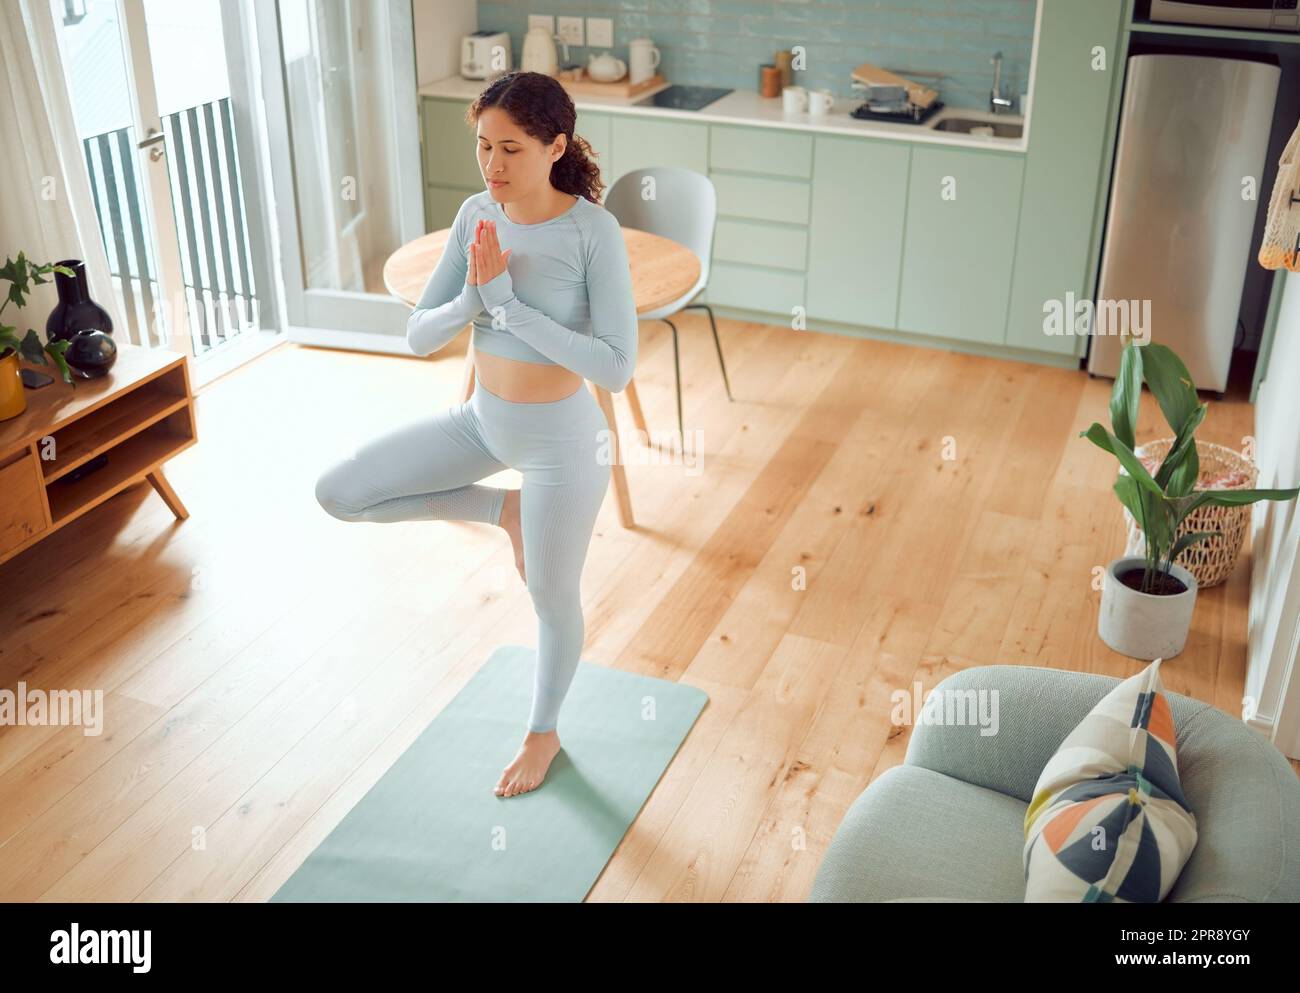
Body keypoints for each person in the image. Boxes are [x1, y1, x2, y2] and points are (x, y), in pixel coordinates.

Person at [314, 70, 638, 798]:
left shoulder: (593, 231)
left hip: (564, 445)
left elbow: (615, 368)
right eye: (484, 147)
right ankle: (503, 509)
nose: (493, 166)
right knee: (338, 492)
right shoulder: (474, 217)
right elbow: (418, 336)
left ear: (556, 146)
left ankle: (542, 732)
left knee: (552, 595)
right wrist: (471, 297)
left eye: (512, 149)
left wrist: (509, 307)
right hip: (482, 423)